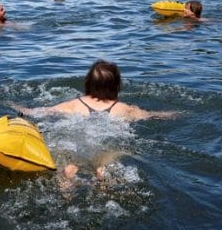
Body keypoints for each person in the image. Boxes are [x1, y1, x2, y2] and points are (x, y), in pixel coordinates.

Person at [39, 60, 173, 179]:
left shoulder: (74, 104)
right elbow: (151, 115)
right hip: (106, 142)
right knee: (109, 159)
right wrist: (173, 114)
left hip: (80, 145)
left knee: (71, 161)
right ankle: (102, 171)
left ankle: (70, 171)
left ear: (88, 83)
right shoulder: (124, 108)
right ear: (117, 86)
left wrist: (25, 110)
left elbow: (41, 111)